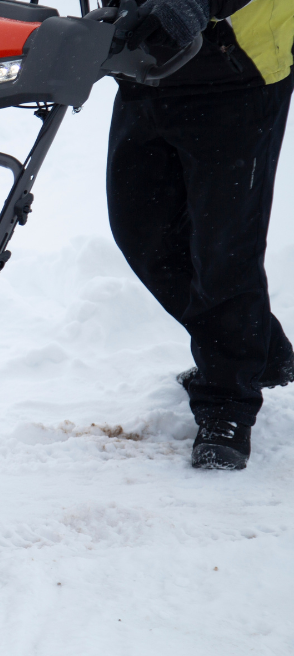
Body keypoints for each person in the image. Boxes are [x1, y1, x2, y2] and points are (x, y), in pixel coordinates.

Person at [106, 0, 294, 469]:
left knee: (225, 250)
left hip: (237, 71)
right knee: (142, 232)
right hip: (146, 63)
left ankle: (228, 403)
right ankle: (259, 350)